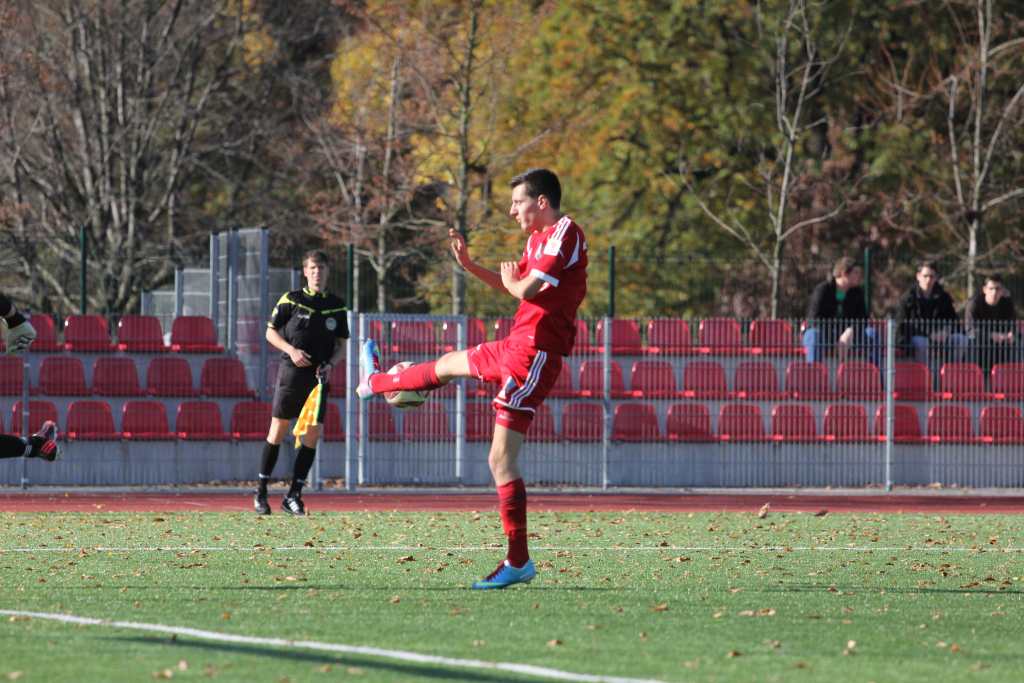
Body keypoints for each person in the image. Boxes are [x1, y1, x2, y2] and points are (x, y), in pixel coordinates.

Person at [356, 168, 587, 590]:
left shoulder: (565, 232)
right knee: (447, 363)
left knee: (500, 460)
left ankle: (518, 560)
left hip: (535, 355)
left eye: (517, 201)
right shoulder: (537, 240)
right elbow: (511, 286)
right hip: (517, 343)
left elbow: (526, 290)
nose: (511, 209)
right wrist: (469, 264)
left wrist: (512, 281)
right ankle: (375, 383)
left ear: (541, 202)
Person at [255, 250, 348, 516]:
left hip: (319, 380)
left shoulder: (337, 306)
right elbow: (270, 332)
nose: (318, 272)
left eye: (322, 268)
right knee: (278, 431)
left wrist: (331, 364)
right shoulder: (291, 299)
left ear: (328, 271)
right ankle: (261, 491)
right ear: (305, 272)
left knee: (312, 434)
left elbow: (341, 346)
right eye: (313, 268)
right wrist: (292, 351)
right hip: (291, 375)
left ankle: (293, 496)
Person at [802, 257, 878, 365]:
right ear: (844, 273)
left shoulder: (857, 292)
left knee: (871, 334)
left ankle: (876, 378)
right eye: (856, 273)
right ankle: (815, 377)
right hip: (824, 334)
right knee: (814, 336)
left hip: (848, 336)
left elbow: (863, 319)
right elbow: (813, 320)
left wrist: (850, 331)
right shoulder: (823, 290)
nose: (859, 276)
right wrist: (837, 340)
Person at [895, 262, 967, 366]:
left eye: (932, 276)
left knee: (960, 339)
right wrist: (929, 335)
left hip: (941, 337)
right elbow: (902, 325)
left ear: (936, 278)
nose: (928, 279)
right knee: (922, 343)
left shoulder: (944, 297)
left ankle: (952, 375)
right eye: (925, 276)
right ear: (918, 276)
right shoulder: (908, 299)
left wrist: (946, 331)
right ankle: (924, 376)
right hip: (916, 337)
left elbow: (954, 321)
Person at [965, 274, 1018, 376]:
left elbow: (1013, 324)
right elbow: (970, 330)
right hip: (980, 344)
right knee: (971, 343)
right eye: (991, 288)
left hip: (1003, 343)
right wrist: (991, 336)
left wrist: (1012, 334)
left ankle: (1012, 379)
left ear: (1002, 291)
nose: (994, 292)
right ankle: (975, 378)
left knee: (1017, 344)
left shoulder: (1007, 303)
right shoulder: (974, 303)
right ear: (984, 289)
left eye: (997, 289)